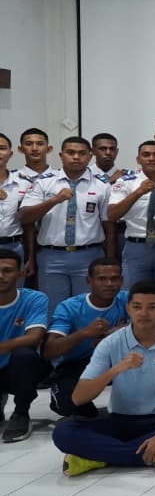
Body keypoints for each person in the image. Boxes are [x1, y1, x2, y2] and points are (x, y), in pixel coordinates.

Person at [53, 280, 155, 476]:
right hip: (121, 420)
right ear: (128, 308)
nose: (144, 313)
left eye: (152, 307)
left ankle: (99, 458)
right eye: (137, 307)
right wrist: (117, 369)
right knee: (64, 432)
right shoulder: (110, 343)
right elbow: (79, 398)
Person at [19, 136, 116, 314]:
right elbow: (25, 217)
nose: (76, 157)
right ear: (61, 155)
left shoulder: (102, 184)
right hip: (51, 257)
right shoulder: (43, 182)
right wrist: (54, 200)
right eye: (71, 152)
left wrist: (110, 260)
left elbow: (109, 226)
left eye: (82, 153)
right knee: (53, 310)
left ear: (90, 156)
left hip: (90, 256)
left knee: (88, 309)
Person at [42, 257, 129, 419]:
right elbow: (49, 351)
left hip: (120, 360)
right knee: (67, 405)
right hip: (77, 364)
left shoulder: (128, 299)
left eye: (114, 278)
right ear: (89, 281)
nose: (109, 283)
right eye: (102, 279)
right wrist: (84, 333)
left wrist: (118, 331)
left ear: (122, 280)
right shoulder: (69, 307)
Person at [107, 142, 155, 287]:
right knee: (133, 294)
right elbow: (112, 215)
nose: (151, 158)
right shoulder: (126, 182)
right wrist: (138, 192)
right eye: (146, 155)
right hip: (136, 247)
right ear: (138, 159)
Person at [0, 249, 50, 442]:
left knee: (25, 355)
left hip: (18, 370)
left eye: (7, 270)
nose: (1, 276)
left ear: (20, 273)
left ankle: (21, 413)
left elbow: (34, 337)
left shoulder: (34, 298)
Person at [0, 133, 35, 284]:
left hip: (14, 247)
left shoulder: (23, 182)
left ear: (11, 153)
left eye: (2, 148)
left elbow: (29, 224)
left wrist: (31, 256)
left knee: (15, 293)